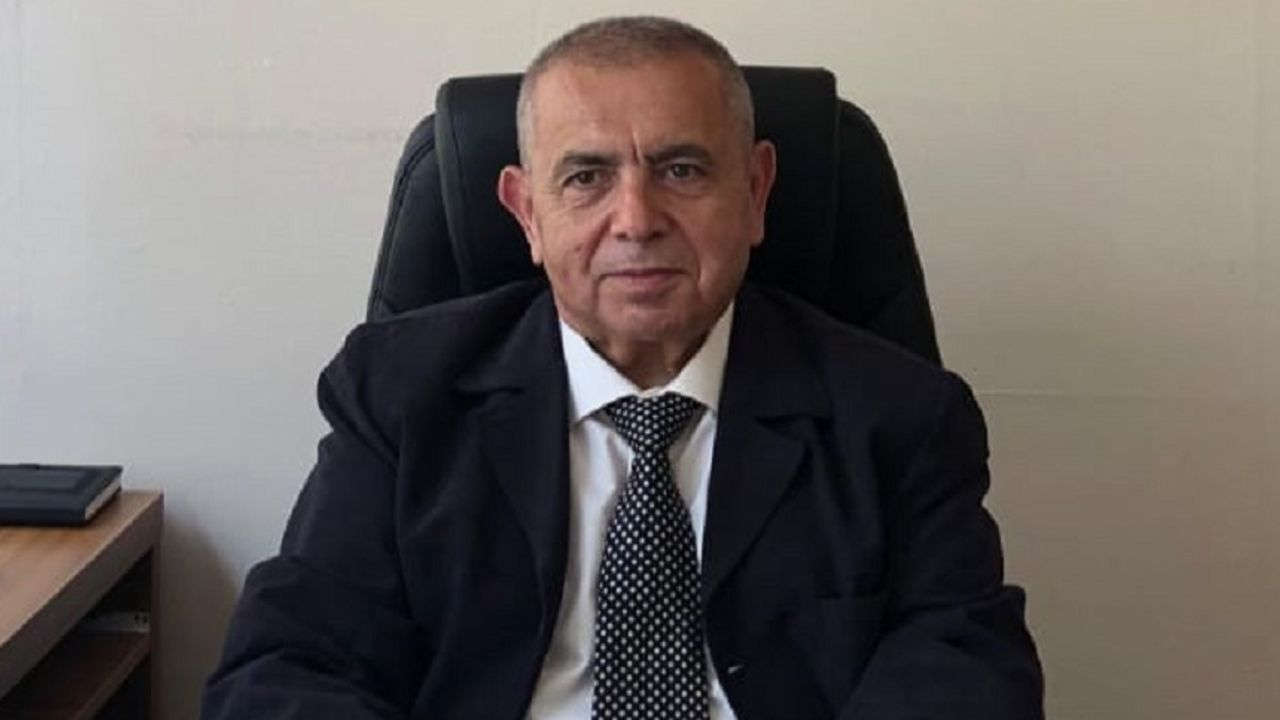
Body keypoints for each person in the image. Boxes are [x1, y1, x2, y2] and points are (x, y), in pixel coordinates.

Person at [203, 15, 1043, 720]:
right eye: (586, 177)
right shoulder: (399, 395)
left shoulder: (899, 415)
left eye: (681, 170)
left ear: (756, 192)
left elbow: (968, 672)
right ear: (527, 215)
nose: (636, 219)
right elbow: (286, 668)